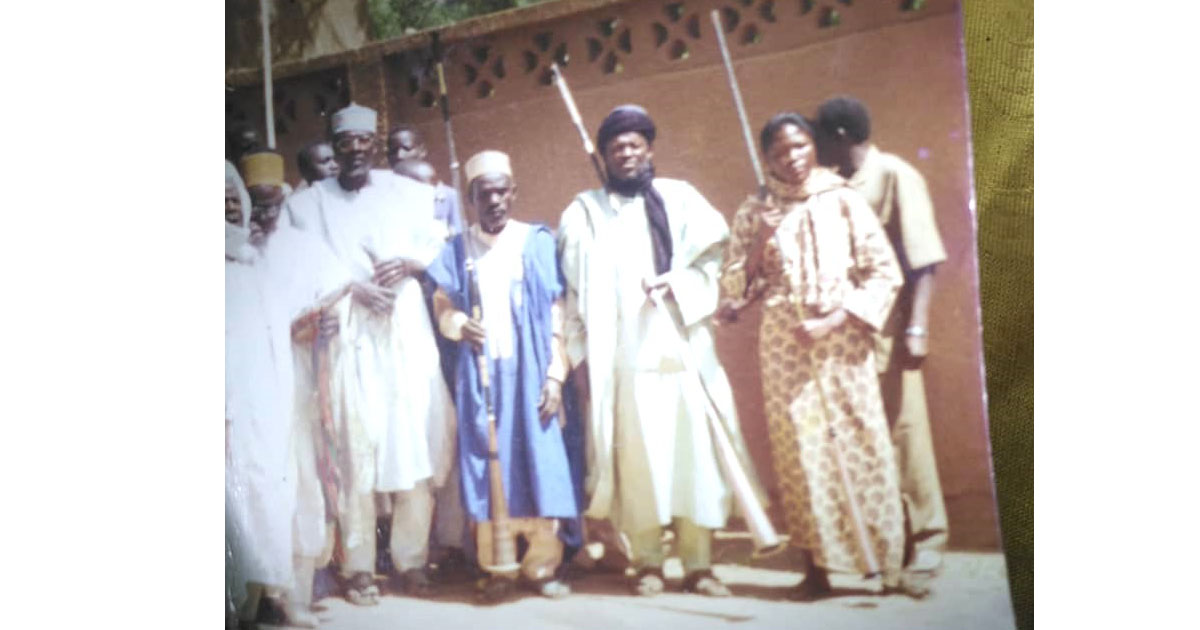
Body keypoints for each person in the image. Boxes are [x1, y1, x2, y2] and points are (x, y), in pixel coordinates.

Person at [716, 112, 926, 599]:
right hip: (785, 348)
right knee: (800, 452)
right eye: (779, 152)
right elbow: (733, 290)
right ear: (767, 158)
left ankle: (890, 566)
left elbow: (884, 273)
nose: (791, 159)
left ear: (813, 147)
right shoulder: (755, 211)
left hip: (843, 344)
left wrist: (834, 320)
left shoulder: (844, 201)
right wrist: (762, 239)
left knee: (863, 444)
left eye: (799, 146)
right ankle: (817, 568)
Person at [557, 104, 756, 598]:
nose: (626, 153)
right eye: (616, 147)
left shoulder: (682, 199)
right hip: (624, 361)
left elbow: (718, 259)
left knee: (696, 461)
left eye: (634, 144)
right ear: (603, 156)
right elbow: (573, 297)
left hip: (685, 350)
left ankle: (698, 565)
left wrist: (680, 283)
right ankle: (646, 563)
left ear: (649, 149)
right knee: (641, 465)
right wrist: (581, 360)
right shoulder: (584, 212)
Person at [283, 103, 458, 604]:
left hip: (403, 331)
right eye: (345, 143)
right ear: (334, 148)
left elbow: (437, 246)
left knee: (413, 444)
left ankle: (410, 559)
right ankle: (358, 567)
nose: (355, 150)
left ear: (374, 142)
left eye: (364, 141)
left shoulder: (408, 193)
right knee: (354, 450)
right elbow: (302, 269)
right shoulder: (309, 205)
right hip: (350, 339)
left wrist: (408, 263)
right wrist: (352, 287)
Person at [426, 150, 578, 602]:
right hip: (483, 375)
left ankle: (542, 566)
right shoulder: (456, 249)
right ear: (470, 199)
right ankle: (499, 569)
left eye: (500, 191)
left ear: (513, 193)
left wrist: (555, 375)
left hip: (531, 372)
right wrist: (457, 326)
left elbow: (557, 311)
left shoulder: (535, 241)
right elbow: (442, 307)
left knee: (541, 462)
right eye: (482, 194)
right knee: (488, 466)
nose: (493, 200)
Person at [814, 96, 950, 574]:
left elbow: (924, 259)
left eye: (820, 137)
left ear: (843, 137)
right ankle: (886, 542)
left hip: (891, 328)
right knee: (862, 435)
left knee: (905, 430)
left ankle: (929, 537)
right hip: (845, 334)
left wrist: (917, 327)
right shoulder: (831, 187)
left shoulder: (894, 175)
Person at [226, 153, 353, 628]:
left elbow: (284, 321)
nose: (236, 212)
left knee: (270, 496)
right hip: (230, 411)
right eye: (225, 204)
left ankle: (271, 597)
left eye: (233, 200)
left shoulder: (251, 260)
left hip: (270, 404)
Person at [387, 125, 465, 239]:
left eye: (406, 148)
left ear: (422, 151)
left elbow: (458, 237)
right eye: (393, 151)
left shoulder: (447, 196)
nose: (399, 155)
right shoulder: (383, 195)